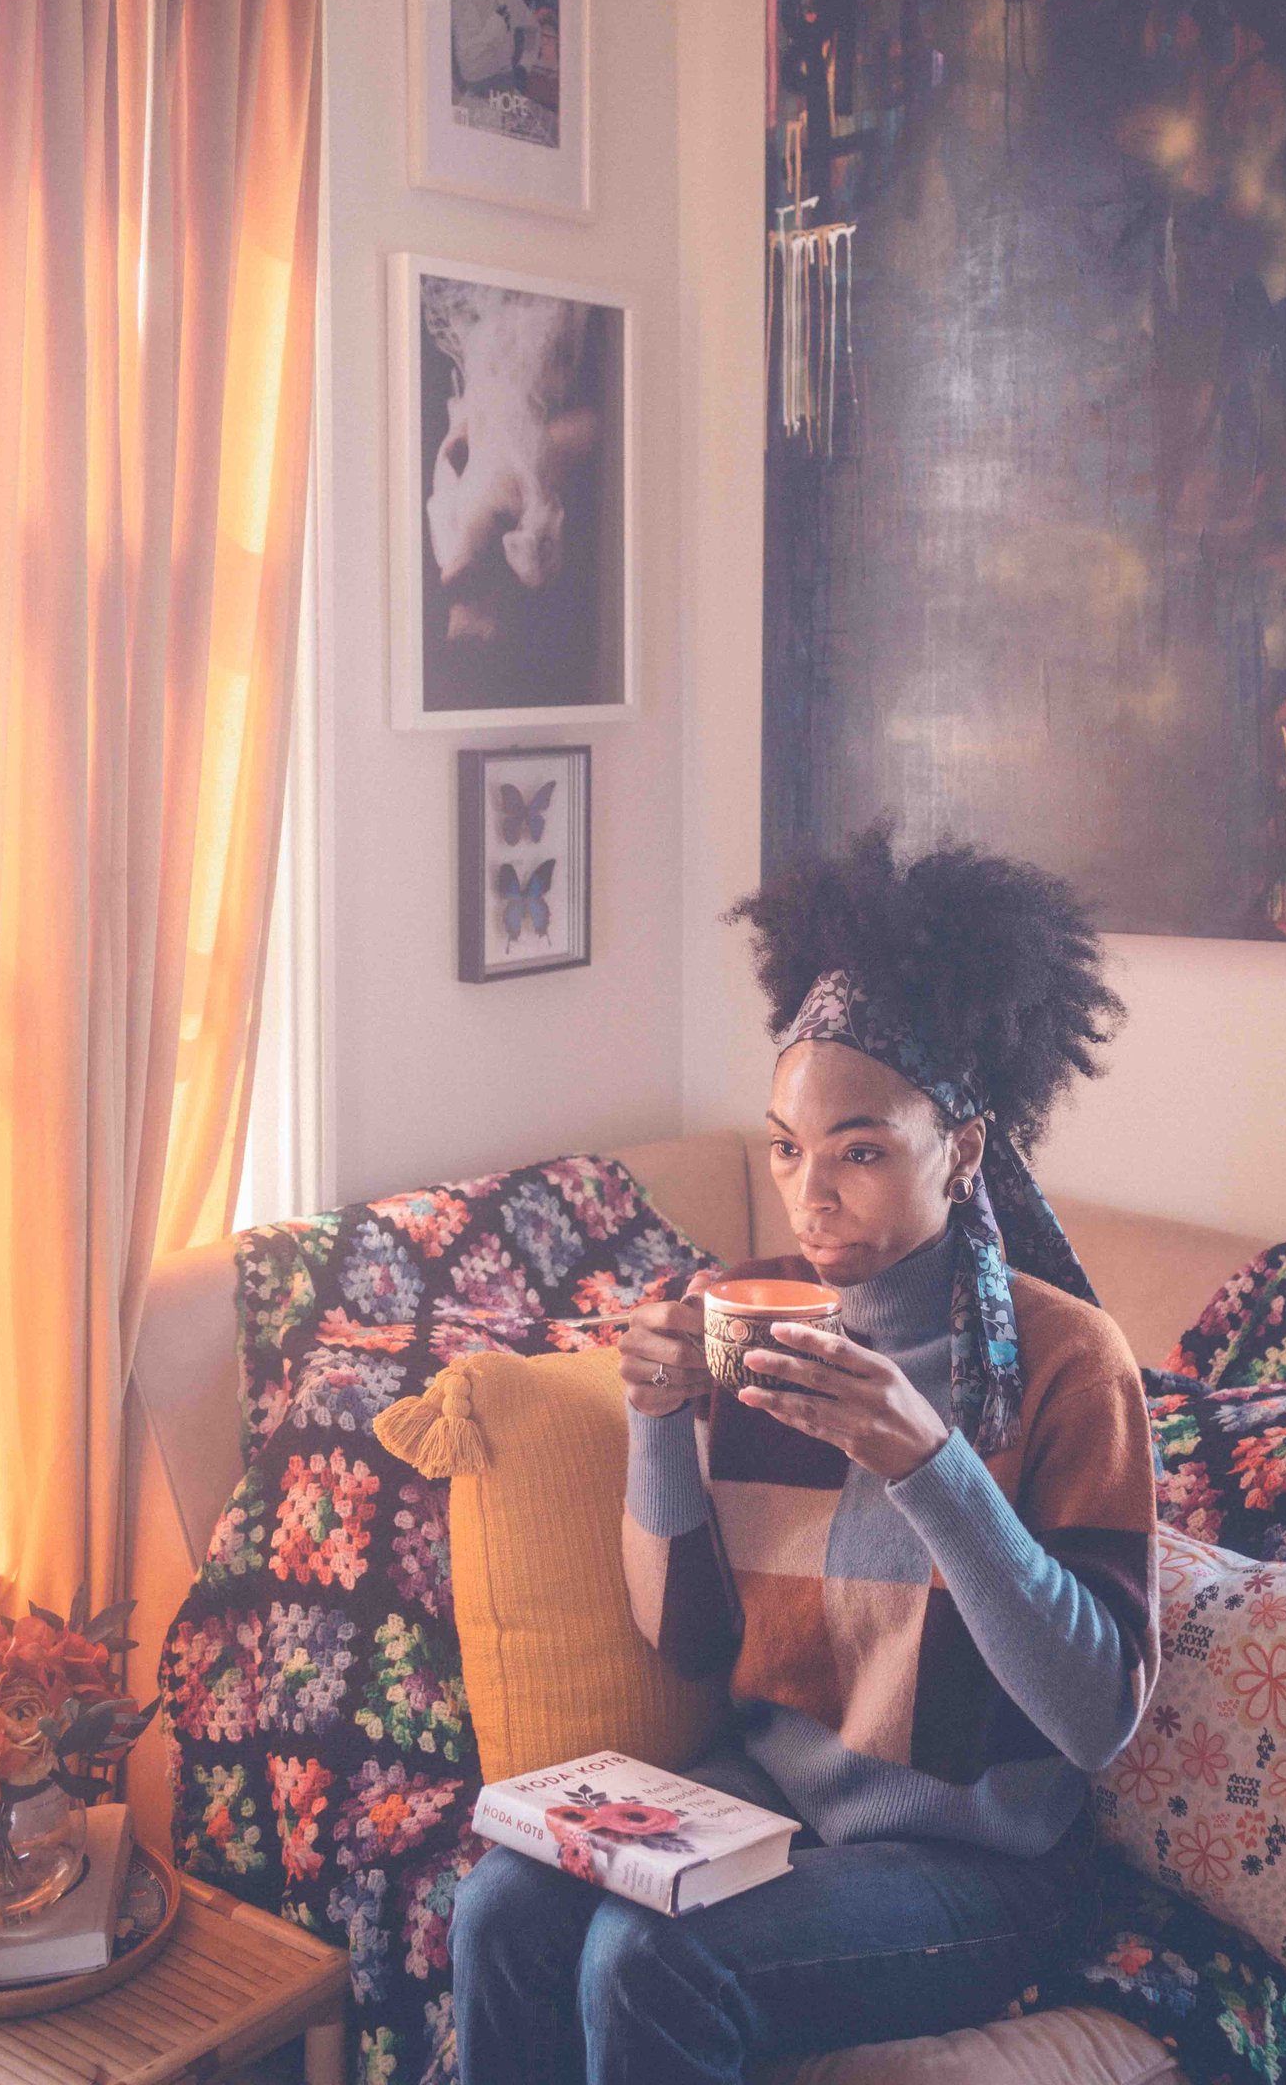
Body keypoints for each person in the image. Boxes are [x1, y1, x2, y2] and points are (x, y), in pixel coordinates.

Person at [450, 825, 1160, 2085]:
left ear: (968, 1148)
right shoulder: (753, 1319)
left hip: (982, 1868)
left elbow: (1099, 1716)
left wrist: (931, 1467)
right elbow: (692, 1648)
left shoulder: (1067, 1364)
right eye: (786, 1146)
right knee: (500, 1907)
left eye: (861, 1149)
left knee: (646, 1961)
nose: (809, 1192)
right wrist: (659, 1424)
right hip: (767, 1808)